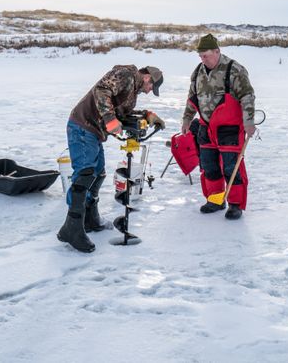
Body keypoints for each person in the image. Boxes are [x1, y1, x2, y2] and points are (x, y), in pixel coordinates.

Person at [58, 65, 165, 252]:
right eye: (151, 87)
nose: (149, 91)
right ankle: (72, 227)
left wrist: (147, 116)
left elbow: (121, 112)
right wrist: (110, 119)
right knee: (85, 173)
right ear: (148, 77)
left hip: (94, 132)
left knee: (98, 173)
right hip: (82, 126)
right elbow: (101, 90)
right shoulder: (125, 74)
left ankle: (90, 218)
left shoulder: (132, 91)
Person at [181, 34, 256, 220]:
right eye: (200, 56)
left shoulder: (234, 70)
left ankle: (235, 205)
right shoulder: (198, 71)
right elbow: (192, 98)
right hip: (206, 127)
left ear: (217, 51)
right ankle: (215, 200)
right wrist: (187, 119)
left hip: (229, 127)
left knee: (232, 167)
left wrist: (248, 121)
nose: (202, 59)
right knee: (208, 165)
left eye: (205, 55)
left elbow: (247, 96)